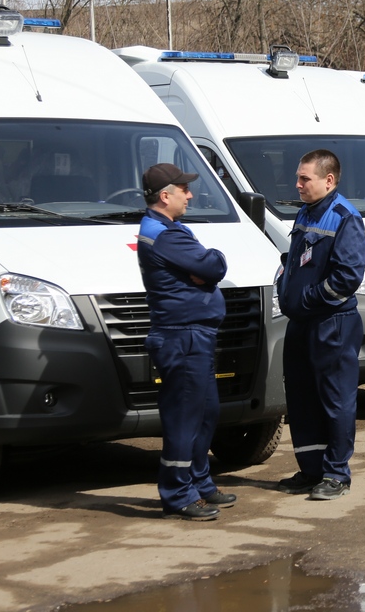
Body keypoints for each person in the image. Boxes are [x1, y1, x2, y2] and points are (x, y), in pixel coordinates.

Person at [137, 162, 235, 520]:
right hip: (183, 336)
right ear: (166, 196)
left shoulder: (169, 230)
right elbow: (215, 267)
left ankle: (199, 482)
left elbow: (204, 270)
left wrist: (205, 269)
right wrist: (212, 263)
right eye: (184, 190)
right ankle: (178, 494)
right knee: (184, 418)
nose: (190, 195)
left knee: (205, 412)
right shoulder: (166, 235)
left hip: (193, 335)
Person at [276, 149, 365, 501]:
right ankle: (311, 470)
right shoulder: (306, 212)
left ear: (328, 180)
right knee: (302, 399)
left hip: (332, 324)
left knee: (335, 401)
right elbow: (297, 259)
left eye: (304, 179)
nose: (297, 184)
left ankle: (336, 474)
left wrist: (306, 298)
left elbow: (346, 277)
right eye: (298, 177)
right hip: (301, 323)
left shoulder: (345, 217)